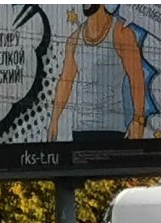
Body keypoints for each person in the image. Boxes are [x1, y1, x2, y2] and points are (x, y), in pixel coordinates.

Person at [48, 5, 148, 141]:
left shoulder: (121, 32)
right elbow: (65, 82)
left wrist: (139, 119)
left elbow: (136, 78)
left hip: (112, 129)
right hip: (81, 129)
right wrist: (54, 121)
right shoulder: (74, 39)